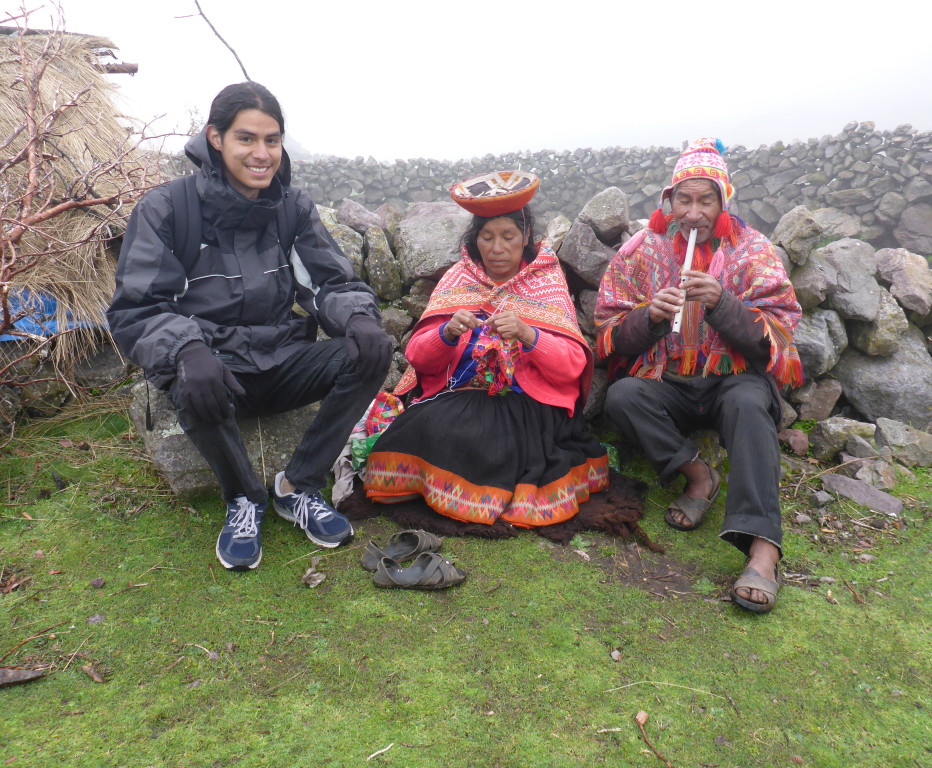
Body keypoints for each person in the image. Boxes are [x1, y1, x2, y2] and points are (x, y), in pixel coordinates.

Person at [107, 82, 391, 571]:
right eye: (246, 139)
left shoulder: (291, 208)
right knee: (190, 376)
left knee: (373, 349)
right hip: (213, 372)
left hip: (280, 359)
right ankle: (243, 499)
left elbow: (329, 283)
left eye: (272, 140)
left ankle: (297, 485)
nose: (262, 154)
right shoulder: (167, 209)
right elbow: (137, 308)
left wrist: (359, 317)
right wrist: (187, 351)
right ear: (215, 138)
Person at [595, 138, 802, 613]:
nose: (693, 213)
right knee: (623, 396)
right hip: (667, 379)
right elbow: (607, 332)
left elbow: (780, 333)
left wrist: (722, 304)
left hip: (735, 381)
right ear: (669, 201)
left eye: (704, 200)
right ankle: (698, 475)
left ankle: (764, 548)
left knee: (749, 405)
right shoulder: (642, 250)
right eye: (683, 200)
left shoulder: (753, 250)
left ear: (722, 201)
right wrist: (647, 318)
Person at [363, 171, 609, 527]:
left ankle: (462, 494)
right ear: (474, 239)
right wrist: (447, 332)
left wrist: (529, 334)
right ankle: (448, 489)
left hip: (527, 404)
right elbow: (418, 357)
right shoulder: (458, 279)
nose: (497, 248)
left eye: (508, 236)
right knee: (415, 430)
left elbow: (571, 366)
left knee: (489, 442)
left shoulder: (547, 282)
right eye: (487, 237)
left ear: (525, 236)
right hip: (458, 395)